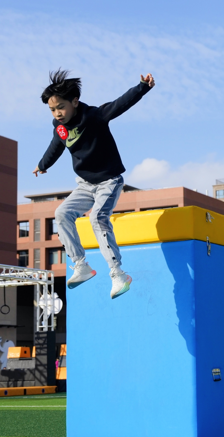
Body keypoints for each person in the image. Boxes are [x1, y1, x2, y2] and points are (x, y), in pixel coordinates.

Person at [33, 69, 155, 298]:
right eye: (52, 109)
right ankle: (81, 265)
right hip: (85, 184)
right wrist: (42, 164)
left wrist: (142, 87)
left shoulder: (93, 116)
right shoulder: (59, 127)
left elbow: (119, 105)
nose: (57, 113)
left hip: (109, 181)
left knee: (97, 217)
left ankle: (118, 274)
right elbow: (56, 145)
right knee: (61, 213)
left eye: (61, 107)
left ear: (74, 102)